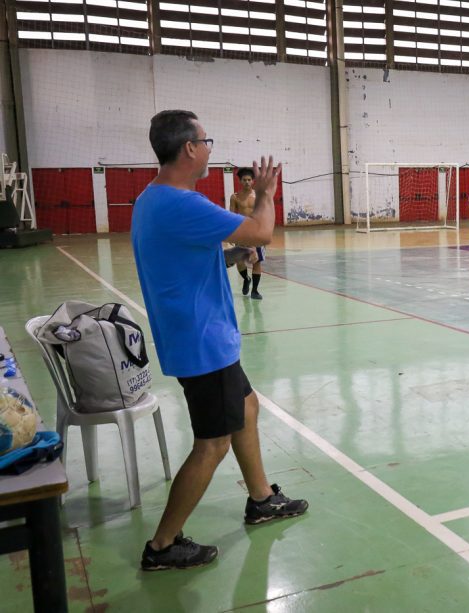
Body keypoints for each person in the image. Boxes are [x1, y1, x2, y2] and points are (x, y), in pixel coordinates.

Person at [131, 110, 307, 571]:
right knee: (212, 443)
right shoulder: (182, 203)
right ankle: (163, 545)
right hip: (201, 341)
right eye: (207, 140)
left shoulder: (153, 199)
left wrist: (230, 254)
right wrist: (266, 195)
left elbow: (189, 258)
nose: (211, 148)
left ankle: (261, 498)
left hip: (199, 336)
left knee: (247, 407)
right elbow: (263, 231)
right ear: (189, 148)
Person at [229, 168, 265, 300]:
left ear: (253, 181)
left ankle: (255, 291)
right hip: (242, 232)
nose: (247, 182)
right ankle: (246, 279)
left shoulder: (258, 196)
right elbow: (231, 216)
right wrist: (232, 234)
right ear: (240, 181)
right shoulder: (235, 197)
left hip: (256, 232)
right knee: (240, 260)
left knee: (257, 261)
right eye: (244, 180)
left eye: (249, 180)